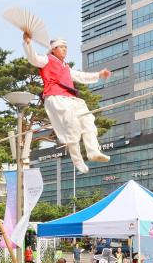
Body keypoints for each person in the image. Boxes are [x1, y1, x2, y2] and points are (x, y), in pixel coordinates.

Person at [23, 32, 112, 173]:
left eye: (66, 47)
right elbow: (33, 58)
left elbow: (80, 76)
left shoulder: (65, 67)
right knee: (73, 126)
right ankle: (77, 161)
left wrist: (99, 75)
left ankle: (93, 151)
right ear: (53, 49)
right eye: (61, 47)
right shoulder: (47, 60)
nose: (65, 49)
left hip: (70, 99)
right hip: (56, 98)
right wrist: (28, 43)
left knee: (87, 118)